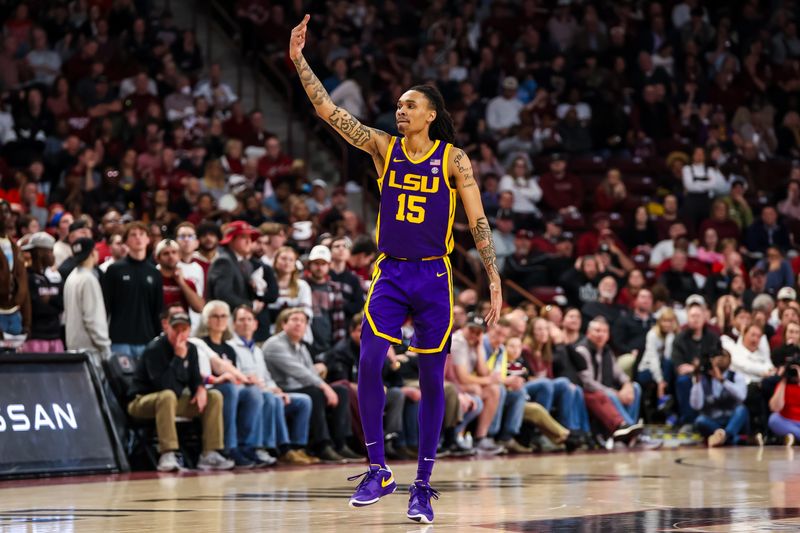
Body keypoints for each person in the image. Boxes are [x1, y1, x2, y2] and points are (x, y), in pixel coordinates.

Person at [291, 16, 501, 522]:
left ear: (430, 114)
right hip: (390, 273)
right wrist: (299, 60)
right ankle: (379, 469)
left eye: (410, 105)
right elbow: (326, 109)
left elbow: (477, 220)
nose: (399, 110)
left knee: (432, 380)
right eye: (399, 104)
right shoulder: (383, 147)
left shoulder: (454, 160)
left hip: (434, 275)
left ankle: (422, 486)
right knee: (368, 360)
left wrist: (493, 279)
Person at [127, 310, 234, 472]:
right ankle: (167, 453)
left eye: (184, 330)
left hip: (171, 402)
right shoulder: (154, 349)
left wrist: (200, 389)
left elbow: (195, 378)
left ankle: (210, 453)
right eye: (175, 329)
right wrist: (178, 358)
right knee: (168, 396)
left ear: (189, 331)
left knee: (214, 396)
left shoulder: (191, 349)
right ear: (167, 329)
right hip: (141, 402)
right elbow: (164, 386)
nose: (179, 334)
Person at [263, 307, 357, 462]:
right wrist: (325, 387)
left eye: (302, 321)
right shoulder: (275, 344)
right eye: (294, 320)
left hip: (302, 386)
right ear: (283, 324)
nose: (299, 324)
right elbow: (300, 372)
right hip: (283, 388)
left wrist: (324, 381)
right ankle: (322, 445)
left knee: (341, 390)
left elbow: (310, 372)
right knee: (316, 392)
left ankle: (341, 444)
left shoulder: (301, 345)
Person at [228, 305, 316, 466]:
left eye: (249, 319)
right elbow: (236, 376)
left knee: (303, 400)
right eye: (241, 320)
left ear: (255, 324)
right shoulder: (231, 347)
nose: (246, 323)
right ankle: (275, 448)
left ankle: (299, 447)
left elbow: (267, 378)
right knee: (271, 398)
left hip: (265, 390)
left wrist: (276, 389)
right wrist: (268, 390)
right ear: (233, 324)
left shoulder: (257, 350)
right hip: (247, 393)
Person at [102, 221, 163, 358]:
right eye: (133, 235)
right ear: (126, 241)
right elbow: (105, 307)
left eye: (142, 234)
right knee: (120, 379)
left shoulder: (154, 273)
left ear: (148, 239)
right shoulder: (114, 270)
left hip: (148, 340)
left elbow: (158, 310)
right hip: (119, 339)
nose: (138, 238)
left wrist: (158, 339)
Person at [64, 237, 111, 365]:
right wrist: (105, 346)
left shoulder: (71, 277)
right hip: (90, 351)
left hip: (74, 348)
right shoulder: (88, 279)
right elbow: (92, 319)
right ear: (92, 252)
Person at [690, 349, 748, 447]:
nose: (720, 358)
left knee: (742, 409)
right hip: (714, 421)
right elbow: (696, 406)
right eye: (717, 356)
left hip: (732, 418)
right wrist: (697, 380)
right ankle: (730, 438)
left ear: (730, 360)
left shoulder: (736, 376)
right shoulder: (703, 379)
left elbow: (742, 397)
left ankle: (725, 436)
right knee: (700, 420)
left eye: (723, 356)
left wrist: (723, 381)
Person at [21, 232, 63, 352]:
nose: (53, 256)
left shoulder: (55, 276)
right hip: (35, 337)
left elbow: (63, 303)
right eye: (50, 251)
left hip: (55, 335)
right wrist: (52, 303)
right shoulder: (27, 277)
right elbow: (35, 308)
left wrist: (50, 299)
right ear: (40, 253)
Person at [155, 239, 205, 315]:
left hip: (183, 325)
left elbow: (200, 308)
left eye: (174, 252)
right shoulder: (152, 281)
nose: (171, 256)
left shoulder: (187, 283)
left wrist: (181, 283)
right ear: (157, 258)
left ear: (179, 256)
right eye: (166, 253)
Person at [768, 356, 800, 446]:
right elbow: (775, 407)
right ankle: (795, 436)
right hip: (787, 421)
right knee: (773, 419)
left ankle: (793, 437)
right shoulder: (783, 385)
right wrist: (783, 380)